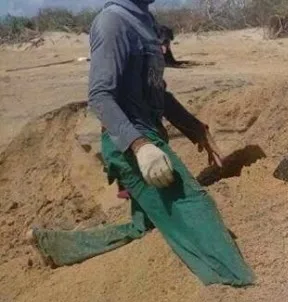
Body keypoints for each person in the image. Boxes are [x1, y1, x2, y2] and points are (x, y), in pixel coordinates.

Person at [26, 0, 254, 287]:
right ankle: (238, 285)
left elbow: (158, 93)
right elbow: (100, 96)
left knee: (144, 227)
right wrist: (140, 147)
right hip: (130, 142)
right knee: (196, 208)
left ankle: (57, 246)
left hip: (149, 134)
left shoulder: (145, 22)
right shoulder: (112, 22)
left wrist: (195, 127)